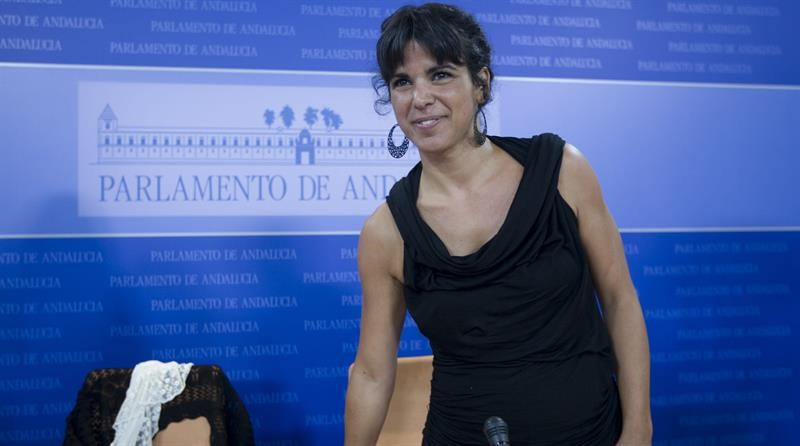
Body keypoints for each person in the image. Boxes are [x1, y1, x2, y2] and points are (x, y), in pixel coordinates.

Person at [344, 3, 651, 445]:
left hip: (591, 431)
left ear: (481, 83)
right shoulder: (385, 231)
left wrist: (638, 429)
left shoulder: (562, 171)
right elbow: (372, 373)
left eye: (440, 74)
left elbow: (620, 298)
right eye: (402, 82)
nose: (420, 97)